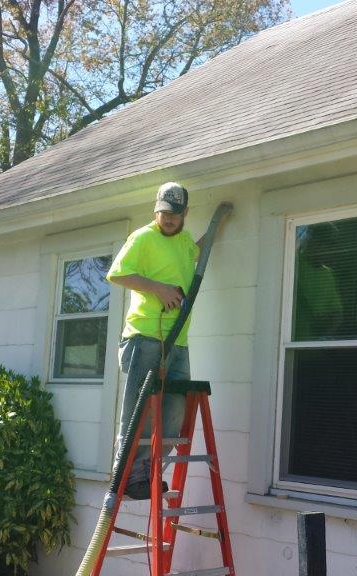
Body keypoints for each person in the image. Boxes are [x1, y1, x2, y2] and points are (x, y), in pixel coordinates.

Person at [105, 181, 230, 499]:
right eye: (163, 213)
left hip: (178, 342)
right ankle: (126, 476)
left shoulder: (184, 240)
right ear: (155, 210)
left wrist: (218, 224)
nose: (169, 219)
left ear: (185, 212)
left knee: (174, 414)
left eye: (174, 213)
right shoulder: (143, 237)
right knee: (137, 411)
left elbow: (194, 255)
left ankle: (147, 474)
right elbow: (117, 274)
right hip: (145, 337)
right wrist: (158, 288)